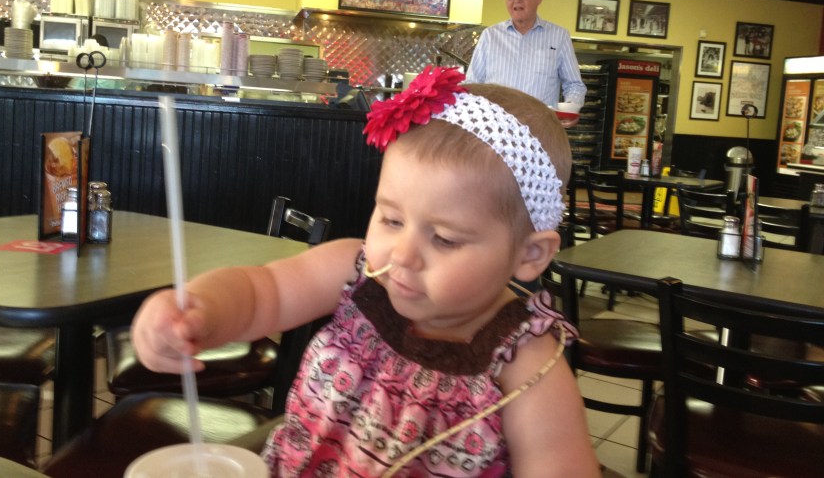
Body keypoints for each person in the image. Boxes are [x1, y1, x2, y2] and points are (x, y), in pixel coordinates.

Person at [131, 66, 600, 477]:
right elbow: (263, 291)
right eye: (391, 220)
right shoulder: (353, 272)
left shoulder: (526, 364)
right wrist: (202, 310)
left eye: (445, 239)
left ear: (530, 255)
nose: (403, 254)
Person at [467, 0, 586, 110]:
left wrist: (570, 109)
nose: (517, 0)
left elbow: (574, 85)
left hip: (540, 126)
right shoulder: (490, 36)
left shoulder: (559, 36)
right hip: (496, 127)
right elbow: (472, 84)